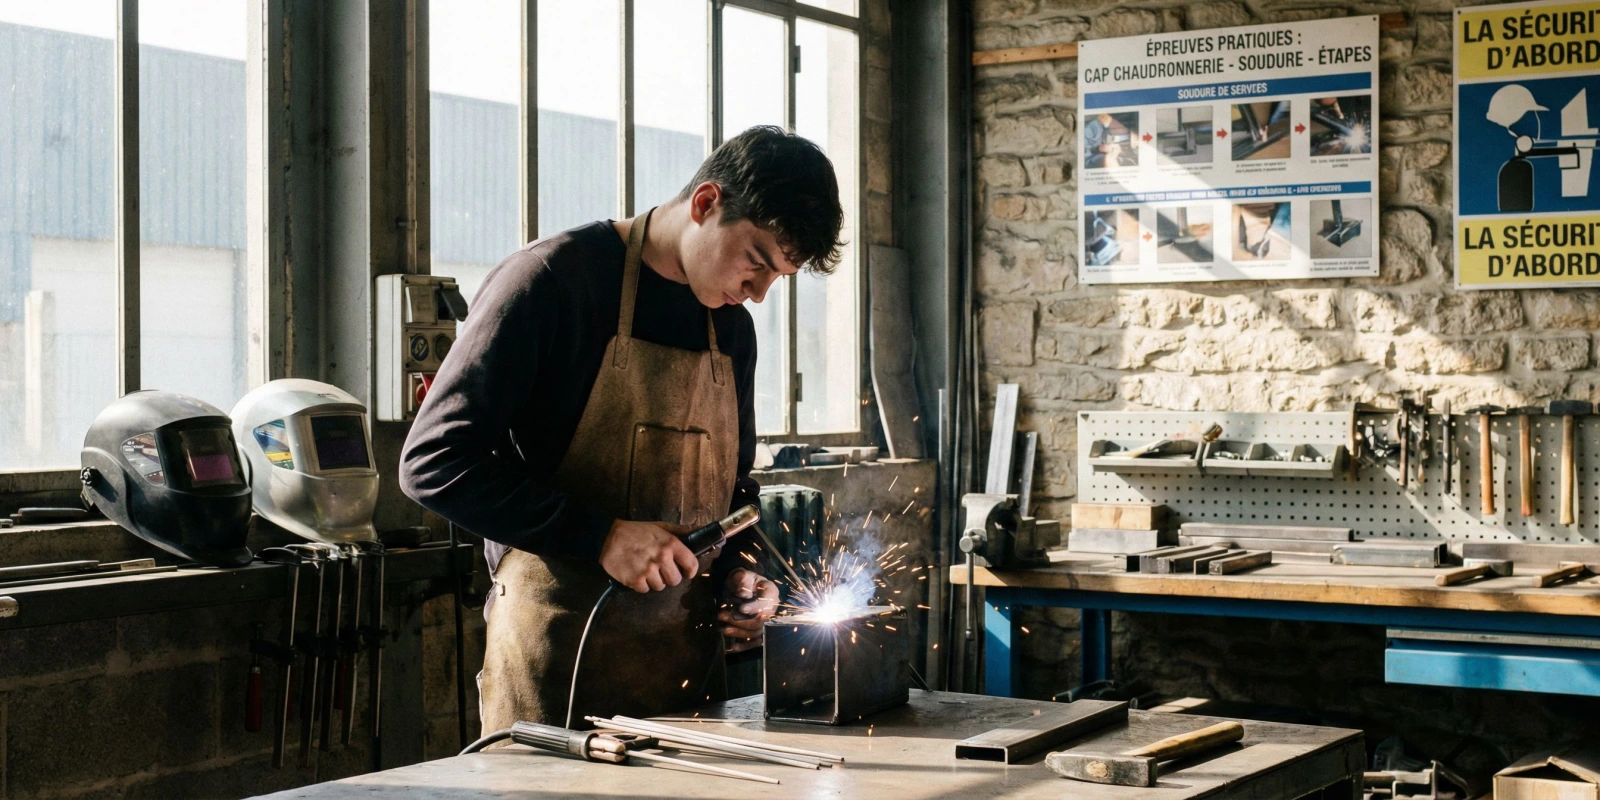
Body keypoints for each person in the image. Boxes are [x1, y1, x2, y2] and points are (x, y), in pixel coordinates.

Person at [399, 125, 845, 731]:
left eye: (778, 278)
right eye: (755, 262)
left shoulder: (731, 329)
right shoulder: (551, 281)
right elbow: (432, 462)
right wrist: (599, 536)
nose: (759, 294)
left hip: (685, 680)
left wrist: (743, 570)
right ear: (705, 203)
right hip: (558, 673)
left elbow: (735, 492)